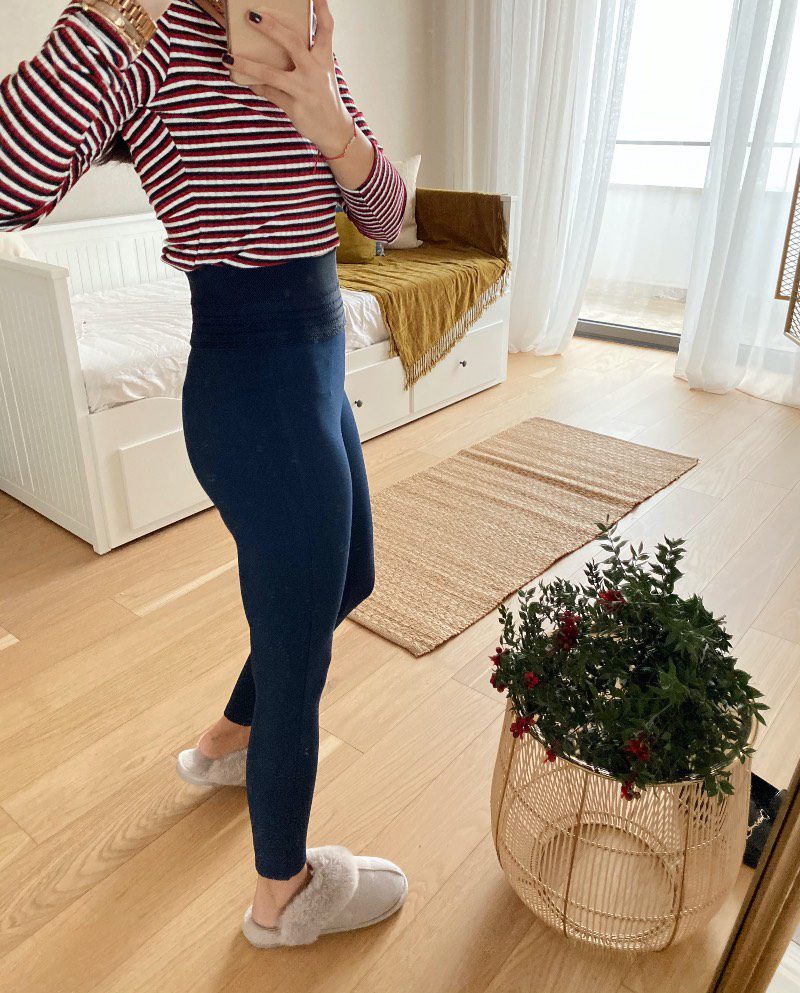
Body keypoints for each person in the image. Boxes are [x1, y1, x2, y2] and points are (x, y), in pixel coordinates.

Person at [0, 0, 408, 948]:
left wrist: (330, 119)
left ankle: (227, 740)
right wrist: (116, 17)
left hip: (318, 370)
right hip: (255, 385)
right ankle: (282, 896)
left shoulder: (303, 30)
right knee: (298, 649)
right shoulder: (151, 32)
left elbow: (390, 217)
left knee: (350, 581)